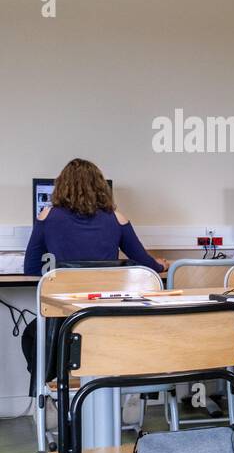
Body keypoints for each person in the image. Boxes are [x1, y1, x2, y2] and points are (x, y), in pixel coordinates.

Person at [21, 159, 169, 395]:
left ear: (61, 187)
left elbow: (30, 268)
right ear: (101, 188)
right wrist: (160, 264)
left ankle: (54, 389)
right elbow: (146, 264)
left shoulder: (47, 215)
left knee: (31, 334)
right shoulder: (116, 218)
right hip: (108, 319)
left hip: (63, 323)